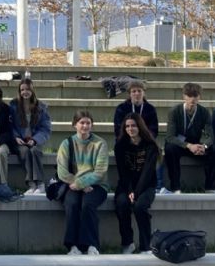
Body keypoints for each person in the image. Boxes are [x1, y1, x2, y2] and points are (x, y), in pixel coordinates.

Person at [56, 110, 109, 256]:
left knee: (88, 204)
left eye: (88, 123)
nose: (85, 126)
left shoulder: (100, 143)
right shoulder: (66, 144)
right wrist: (80, 184)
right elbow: (62, 172)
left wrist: (82, 183)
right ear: (75, 125)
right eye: (82, 123)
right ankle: (73, 246)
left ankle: (91, 245)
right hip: (72, 184)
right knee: (72, 204)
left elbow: (100, 171)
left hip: (97, 185)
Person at [114, 114, 158, 255]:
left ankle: (145, 246)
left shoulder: (151, 146)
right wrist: (130, 190)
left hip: (146, 186)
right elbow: (123, 172)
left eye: (133, 125)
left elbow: (147, 172)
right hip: (126, 186)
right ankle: (128, 243)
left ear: (140, 126)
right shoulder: (120, 146)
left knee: (140, 207)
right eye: (127, 126)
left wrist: (136, 192)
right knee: (122, 204)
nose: (130, 128)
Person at [162, 83, 215, 194]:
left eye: (195, 96)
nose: (192, 99)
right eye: (189, 96)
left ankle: (210, 187)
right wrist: (188, 146)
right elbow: (170, 136)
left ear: (200, 97)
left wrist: (204, 146)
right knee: (170, 148)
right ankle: (175, 187)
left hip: (197, 145)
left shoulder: (204, 112)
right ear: (184, 97)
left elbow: (210, 135)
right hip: (180, 145)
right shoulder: (174, 111)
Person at [11, 78, 51, 195]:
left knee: (33, 151)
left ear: (32, 90)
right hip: (20, 141)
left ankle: (40, 183)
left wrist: (35, 140)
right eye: (22, 90)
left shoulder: (41, 107)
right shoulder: (13, 106)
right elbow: (10, 125)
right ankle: (32, 184)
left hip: (35, 140)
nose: (25, 92)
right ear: (19, 91)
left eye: (28, 89)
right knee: (24, 152)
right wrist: (16, 137)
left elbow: (45, 128)